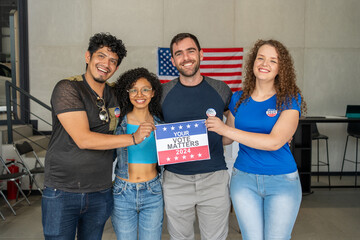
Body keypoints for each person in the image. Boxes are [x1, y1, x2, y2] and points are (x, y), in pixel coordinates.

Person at [42, 33, 155, 240]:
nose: (106, 64)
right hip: (63, 191)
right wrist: (133, 138)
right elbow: (83, 139)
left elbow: (144, 94)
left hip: (101, 191)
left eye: (113, 61)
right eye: (101, 56)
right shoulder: (68, 88)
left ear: (117, 68)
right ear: (88, 56)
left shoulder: (116, 93)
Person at [206, 39, 307, 240]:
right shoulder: (238, 98)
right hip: (244, 180)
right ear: (253, 62)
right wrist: (199, 132)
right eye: (260, 58)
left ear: (281, 68)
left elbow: (275, 142)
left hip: (282, 181)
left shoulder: (289, 99)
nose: (264, 64)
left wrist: (225, 128)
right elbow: (227, 139)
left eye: (273, 61)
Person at [160, 33, 233, 240]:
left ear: (201, 54)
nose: (186, 58)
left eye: (191, 51)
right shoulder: (163, 92)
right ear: (173, 61)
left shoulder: (221, 89)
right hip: (175, 180)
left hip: (214, 178)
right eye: (179, 54)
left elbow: (232, 130)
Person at [111, 68, 163, 240]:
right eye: (133, 89)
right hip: (123, 191)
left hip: (153, 191)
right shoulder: (118, 124)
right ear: (127, 93)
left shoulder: (162, 125)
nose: (139, 94)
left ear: (153, 92)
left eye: (145, 89)